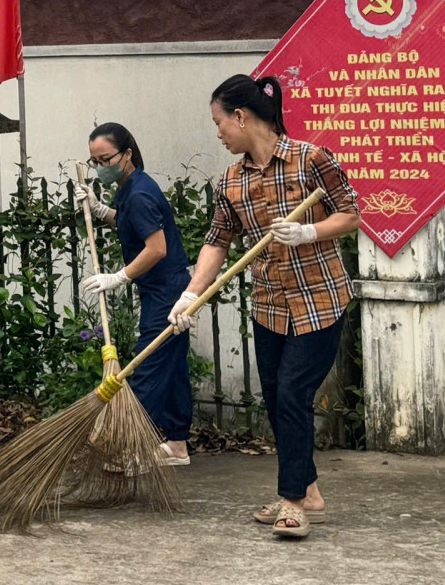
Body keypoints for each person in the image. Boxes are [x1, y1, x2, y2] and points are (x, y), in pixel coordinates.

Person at [173, 73, 360, 540]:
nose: (218, 134)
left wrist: (309, 232)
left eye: (220, 123)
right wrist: (191, 294)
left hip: (320, 300)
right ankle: (308, 490)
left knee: (294, 394)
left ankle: (292, 503)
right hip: (270, 305)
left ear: (241, 116)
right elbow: (217, 242)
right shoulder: (230, 182)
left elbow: (351, 213)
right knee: (277, 400)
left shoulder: (310, 159)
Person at [76, 123, 194, 466]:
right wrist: (101, 211)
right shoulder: (131, 186)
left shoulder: (140, 192)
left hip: (166, 292)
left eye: (105, 158)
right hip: (161, 288)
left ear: (127, 154)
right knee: (172, 368)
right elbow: (130, 222)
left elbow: (156, 248)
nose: (100, 166)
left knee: (148, 366)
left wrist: (119, 277)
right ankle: (177, 446)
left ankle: (132, 448)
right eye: (94, 160)